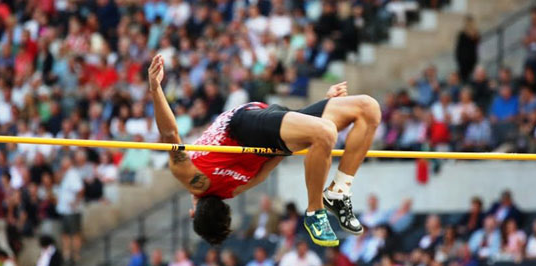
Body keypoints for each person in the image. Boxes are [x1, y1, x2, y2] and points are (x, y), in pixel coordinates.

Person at [147, 54, 381, 247]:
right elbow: (169, 136)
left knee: (332, 128)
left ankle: (333, 195)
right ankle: (321, 206)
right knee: (367, 109)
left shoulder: (238, 187)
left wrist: (313, 128)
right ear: (192, 213)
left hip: (257, 126)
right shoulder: (194, 179)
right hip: (260, 128)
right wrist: (156, 89)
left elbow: (277, 154)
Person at [55, 156, 84, 262]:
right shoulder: (66, 174)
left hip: (72, 211)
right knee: (65, 234)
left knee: (75, 233)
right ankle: (66, 254)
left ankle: (76, 255)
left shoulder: (73, 174)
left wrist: (75, 203)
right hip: (64, 210)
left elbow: (80, 189)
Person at [455, 15, 480, 82]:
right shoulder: (462, 34)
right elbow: (459, 47)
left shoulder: (475, 33)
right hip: (463, 58)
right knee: (464, 76)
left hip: (471, 57)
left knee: (470, 75)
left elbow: (476, 44)